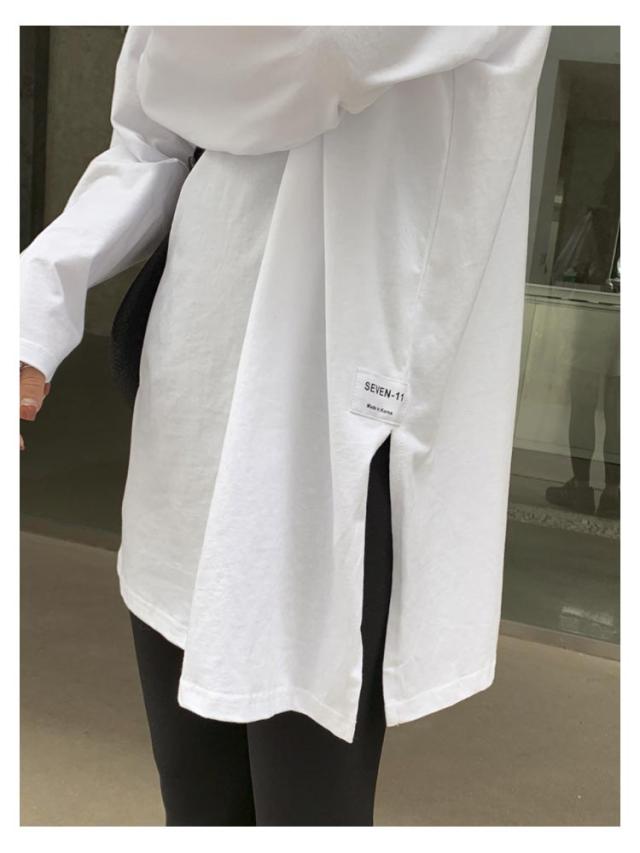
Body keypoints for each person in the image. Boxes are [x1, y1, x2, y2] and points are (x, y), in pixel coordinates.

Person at [20, 26, 552, 825]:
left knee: (306, 815)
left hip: (335, 446)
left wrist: (170, 54)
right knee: (197, 808)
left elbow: (318, 55)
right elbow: (150, 142)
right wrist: (33, 303)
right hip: (187, 412)